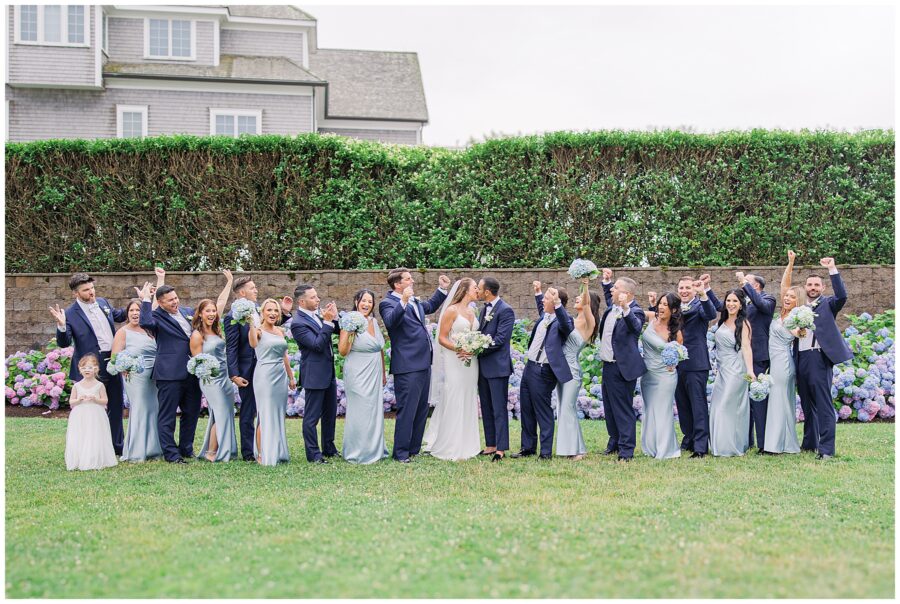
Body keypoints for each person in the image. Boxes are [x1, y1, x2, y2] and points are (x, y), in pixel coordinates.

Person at [50, 272, 142, 456]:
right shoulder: (69, 314)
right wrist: (61, 326)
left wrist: (139, 302)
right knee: (91, 408)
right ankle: (91, 448)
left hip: (112, 360)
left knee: (116, 405)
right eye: (86, 290)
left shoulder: (102, 303)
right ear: (76, 293)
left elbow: (118, 315)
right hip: (90, 365)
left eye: (92, 288)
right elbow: (64, 342)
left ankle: (117, 446)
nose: (91, 292)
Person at [379, 269, 450, 463]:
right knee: (407, 409)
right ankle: (400, 453)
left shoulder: (415, 302)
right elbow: (391, 322)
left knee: (420, 409)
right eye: (408, 279)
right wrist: (402, 301)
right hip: (407, 364)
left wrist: (442, 289)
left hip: (424, 362)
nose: (413, 281)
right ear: (397, 285)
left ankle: (413, 449)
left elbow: (430, 306)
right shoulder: (388, 303)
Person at [223, 276, 292, 461]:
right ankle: (248, 452)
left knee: (266, 409)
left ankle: (265, 447)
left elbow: (270, 325)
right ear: (242, 292)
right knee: (248, 410)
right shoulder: (232, 317)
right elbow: (231, 347)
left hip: (267, 367)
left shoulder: (257, 309)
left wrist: (284, 312)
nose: (256, 291)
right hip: (246, 369)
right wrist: (234, 374)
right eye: (253, 288)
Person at [649, 275, 718, 458]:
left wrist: (704, 294)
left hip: (696, 363)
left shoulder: (700, 306)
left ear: (694, 290)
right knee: (683, 405)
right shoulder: (676, 309)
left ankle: (701, 446)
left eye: (688, 287)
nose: (684, 291)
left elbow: (711, 314)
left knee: (698, 405)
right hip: (676, 364)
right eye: (681, 288)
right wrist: (653, 305)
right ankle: (689, 439)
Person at [137, 272, 201, 464]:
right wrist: (146, 300)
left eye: (176, 298)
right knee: (168, 416)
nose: (175, 302)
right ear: (161, 303)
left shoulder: (187, 311)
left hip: (192, 372)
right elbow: (145, 322)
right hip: (169, 373)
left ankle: (186, 449)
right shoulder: (155, 317)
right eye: (170, 300)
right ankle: (171, 455)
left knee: (192, 412)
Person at [794, 257, 854, 459]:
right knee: (806, 403)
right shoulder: (799, 306)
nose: (812, 288)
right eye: (810, 285)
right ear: (805, 287)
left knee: (823, 403)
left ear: (822, 287)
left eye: (816, 285)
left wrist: (832, 268)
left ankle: (826, 449)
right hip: (800, 358)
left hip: (819, 358)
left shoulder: (829, 304)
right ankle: (810, 443)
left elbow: (842, 295)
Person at [422, 279, 483, 461]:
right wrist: (459, 349)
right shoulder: (451, 310)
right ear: (464, 290)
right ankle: (450, 444)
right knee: (454, 395)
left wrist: (475, 347)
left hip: (471, 361)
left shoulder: (473, 310)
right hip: (454, 359)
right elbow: (441, 338)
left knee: (468, 395)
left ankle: (468, 444)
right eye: (475, 288)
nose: (478, 291)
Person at [512, 282, 574, 460]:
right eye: (546, 298)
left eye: (548, 299)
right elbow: (542, 306)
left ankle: (545, 452)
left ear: (556, 303)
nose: (544, 301)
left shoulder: (564, 320)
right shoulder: (544, 317)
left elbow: (566, 326)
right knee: (527, 409)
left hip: (544, 371)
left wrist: (556, 303)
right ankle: (528, 447)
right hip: (529, 367)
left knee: (542, 411)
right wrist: (538, 293)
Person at [598, 273, 647, 462]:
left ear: (626, 294)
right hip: (608, 366)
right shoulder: (612, 308)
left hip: (622, 368)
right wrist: (607, 280)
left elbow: (635, 328)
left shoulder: (636, 311)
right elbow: (608, 293)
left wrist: (626, 307)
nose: (612, 290)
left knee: (622, 409)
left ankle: (626, 450)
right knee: (609, 408)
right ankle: (614, 442)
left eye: (616, 288)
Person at [191, 270, 238, 462]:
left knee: (224, 413)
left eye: (213, 311)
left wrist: (229, 282)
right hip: (210, 380)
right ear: (200, 314)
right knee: (220, 412)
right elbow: (197, 362)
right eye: (207, 311)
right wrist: (207, 374)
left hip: (224, 377)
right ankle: (212, 452)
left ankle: (216, 449)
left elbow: (221, 302)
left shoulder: (216, 331)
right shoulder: (197, 335)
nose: (211, 313)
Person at [108, 299, 163, 462]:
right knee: (140, 408)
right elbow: (114, 357)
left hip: (154, 375)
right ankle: (136, 451)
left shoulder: (150, 331)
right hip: (135, 376)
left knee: (154, 408)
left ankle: (153, 449)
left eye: (138, 310)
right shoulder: (123, 332)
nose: (134, 313)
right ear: (127, 313)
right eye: (131, 310)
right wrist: (123, 365)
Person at [291, 284, 341, 464]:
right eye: (313, 297)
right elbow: (317, 344)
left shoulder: (317, 315)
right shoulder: (298, 323)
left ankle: (329, 448)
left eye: (317, 296)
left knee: (330, 413)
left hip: (328, 373)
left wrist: (333, 319)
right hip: (314, 375)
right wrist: (327, 322)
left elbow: (335, 330)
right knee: (312, 417)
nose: (318, 299)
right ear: (302, 301)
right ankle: (313, 455)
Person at [338, 289, 389, 464]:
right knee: (360, 410)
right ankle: (356, 451)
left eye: (369, 301)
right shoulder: (349, 321)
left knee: (373, 410)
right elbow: (343, 351)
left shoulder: (374, 322)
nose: (366, 304)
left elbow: (379, 348)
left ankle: (374, 448)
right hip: (357, 372)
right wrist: (351, 331)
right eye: (363, 300)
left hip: (374, 372)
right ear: (356, 301)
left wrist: (383, 373)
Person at [555, 278, 600, 460]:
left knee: (567, 408)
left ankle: (575, 451)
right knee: (562, 408)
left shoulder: (589, 323)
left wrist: (586, 286)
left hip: (572, 371)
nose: (576, 299)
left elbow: (587, 303)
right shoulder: (571, 320)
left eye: (579, 298)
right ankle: (575, 447)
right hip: (560, 369)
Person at [763, 250, 803, 455]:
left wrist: (800, 331)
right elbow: (783, 284)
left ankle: (776, 445)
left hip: (783, 363)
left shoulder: (796, 314)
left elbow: (798, 331)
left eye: (791, 297)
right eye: (786, 296)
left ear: (798, 301)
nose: (787, 298)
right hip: (775, 362)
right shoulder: (783, 312)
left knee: (779, 400)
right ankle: (782, 442)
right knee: (778, 399)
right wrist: (790, 262)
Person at [709, 290, 755, 457]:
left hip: (736, 370)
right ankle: (718, 445)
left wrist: (750, 370)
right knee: (717, 405)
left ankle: (730, 446)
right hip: (722, 370)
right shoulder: (722, 320)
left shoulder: (744, 324)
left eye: (735, 301)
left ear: (741, 304)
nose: (731, 304)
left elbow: (746, 348)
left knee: (728, 406)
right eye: (728, 300)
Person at [735, 270, 777, 452]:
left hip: (759, 355)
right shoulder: (744, 302)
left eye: (747, 282)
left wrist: (743, 282)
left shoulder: (768, 299)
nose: (742, 284)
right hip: (741, 355)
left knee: (758, 399)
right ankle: (747, 441)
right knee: (743, 401)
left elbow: (761, 305)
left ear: (756, 286)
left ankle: (763, 444)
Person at [249, 298, 294, 466]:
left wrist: (290, 377)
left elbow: (284, 356)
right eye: (269, 310)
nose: (273, 313)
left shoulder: (280, 331)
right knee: (264, 414)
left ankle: (277, 450)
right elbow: (253, 343)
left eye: (275, 310)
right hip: (264, 376)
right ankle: (261, 453)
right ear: (262, 313)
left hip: (280, 376)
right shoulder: (258, 330)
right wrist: (251, 325)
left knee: (277, 414)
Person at [475, 277, 515, 461]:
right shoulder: (484, 309)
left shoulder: (506, 311)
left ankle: (501, 448)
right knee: (486, 407)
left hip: (498, 368)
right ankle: (490, 444)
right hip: (483, 367)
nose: (477, 291)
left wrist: (476, 349)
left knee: (499, 409)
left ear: (488, 292)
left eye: (479, 288)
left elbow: (500, 339)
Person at [640, 291, 683, 460]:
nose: (661, 307)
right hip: (647, 374)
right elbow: (631, 312)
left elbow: (680, 353)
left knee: (663, 411)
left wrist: (674, 363)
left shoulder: (676, 332)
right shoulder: (651, 318)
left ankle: (666, 450)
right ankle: (650, 447)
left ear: (673, 310)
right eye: (660, 303)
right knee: (649, 409)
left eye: (666, 305)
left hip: (665, 375)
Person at [65, 354, 117, 471]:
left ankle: (94, 457)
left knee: (94, 434)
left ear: (96, 369)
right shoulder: (77, 386)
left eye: (89, 367)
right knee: (82, 434)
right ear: (79, 370)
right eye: (84, 368)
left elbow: (105, 400)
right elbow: (71, 402)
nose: (86, 370)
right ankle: (79, 458)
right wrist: (78, 400)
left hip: (95, 414)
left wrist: (96, 399)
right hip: (80, 414)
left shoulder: (99, 385)